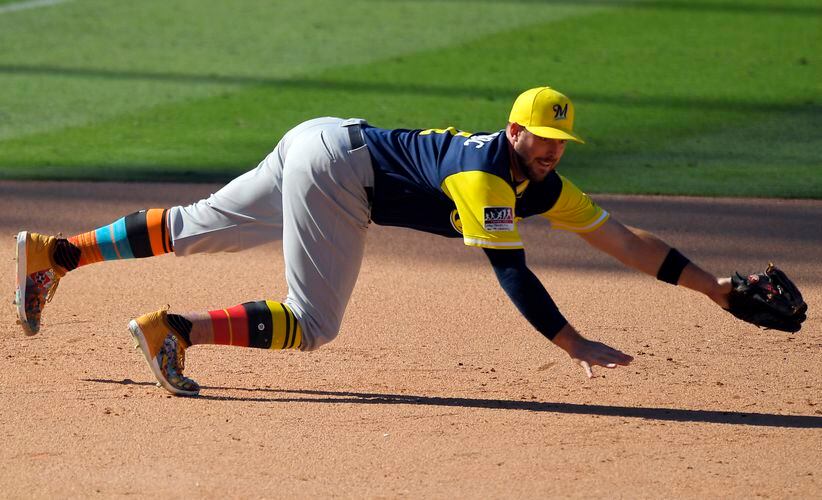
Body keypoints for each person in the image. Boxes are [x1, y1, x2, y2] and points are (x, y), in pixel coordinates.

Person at [14, 86, 733, 396]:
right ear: (513, 130)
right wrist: (572, 342)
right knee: (315, 322)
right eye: (540, 140)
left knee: (195, 227)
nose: (550, 153)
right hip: (339, 174)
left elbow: (623, 240)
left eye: (559, 143)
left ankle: (58, 254)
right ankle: (173, 331)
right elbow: (511, 272)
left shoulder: (541, 184)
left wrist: (717, 289)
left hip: (322, 141)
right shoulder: (486, 179)